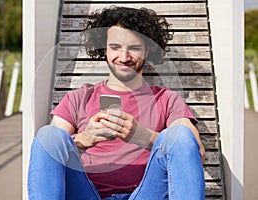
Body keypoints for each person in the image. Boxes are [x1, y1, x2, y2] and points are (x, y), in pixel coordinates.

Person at [28, 6, 206, 200]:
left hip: (146, 194)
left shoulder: (167, 100)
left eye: (134, 48)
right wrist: (83, 140)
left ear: (147, 49)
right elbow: (51, 148)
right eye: (115, 47)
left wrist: (143, 136)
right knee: (48, 135)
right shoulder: (79, 98)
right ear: (104, 48)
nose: (123, 57)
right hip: (86, 194)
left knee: (179, 135)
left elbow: (195, 152)